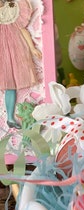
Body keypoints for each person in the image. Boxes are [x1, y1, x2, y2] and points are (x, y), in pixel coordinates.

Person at [0, 0, 42, 129]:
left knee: (11, 84)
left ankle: (10, 118)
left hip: (16, 50)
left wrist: (32, 48)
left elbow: (23, 30)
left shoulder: (13, 9)